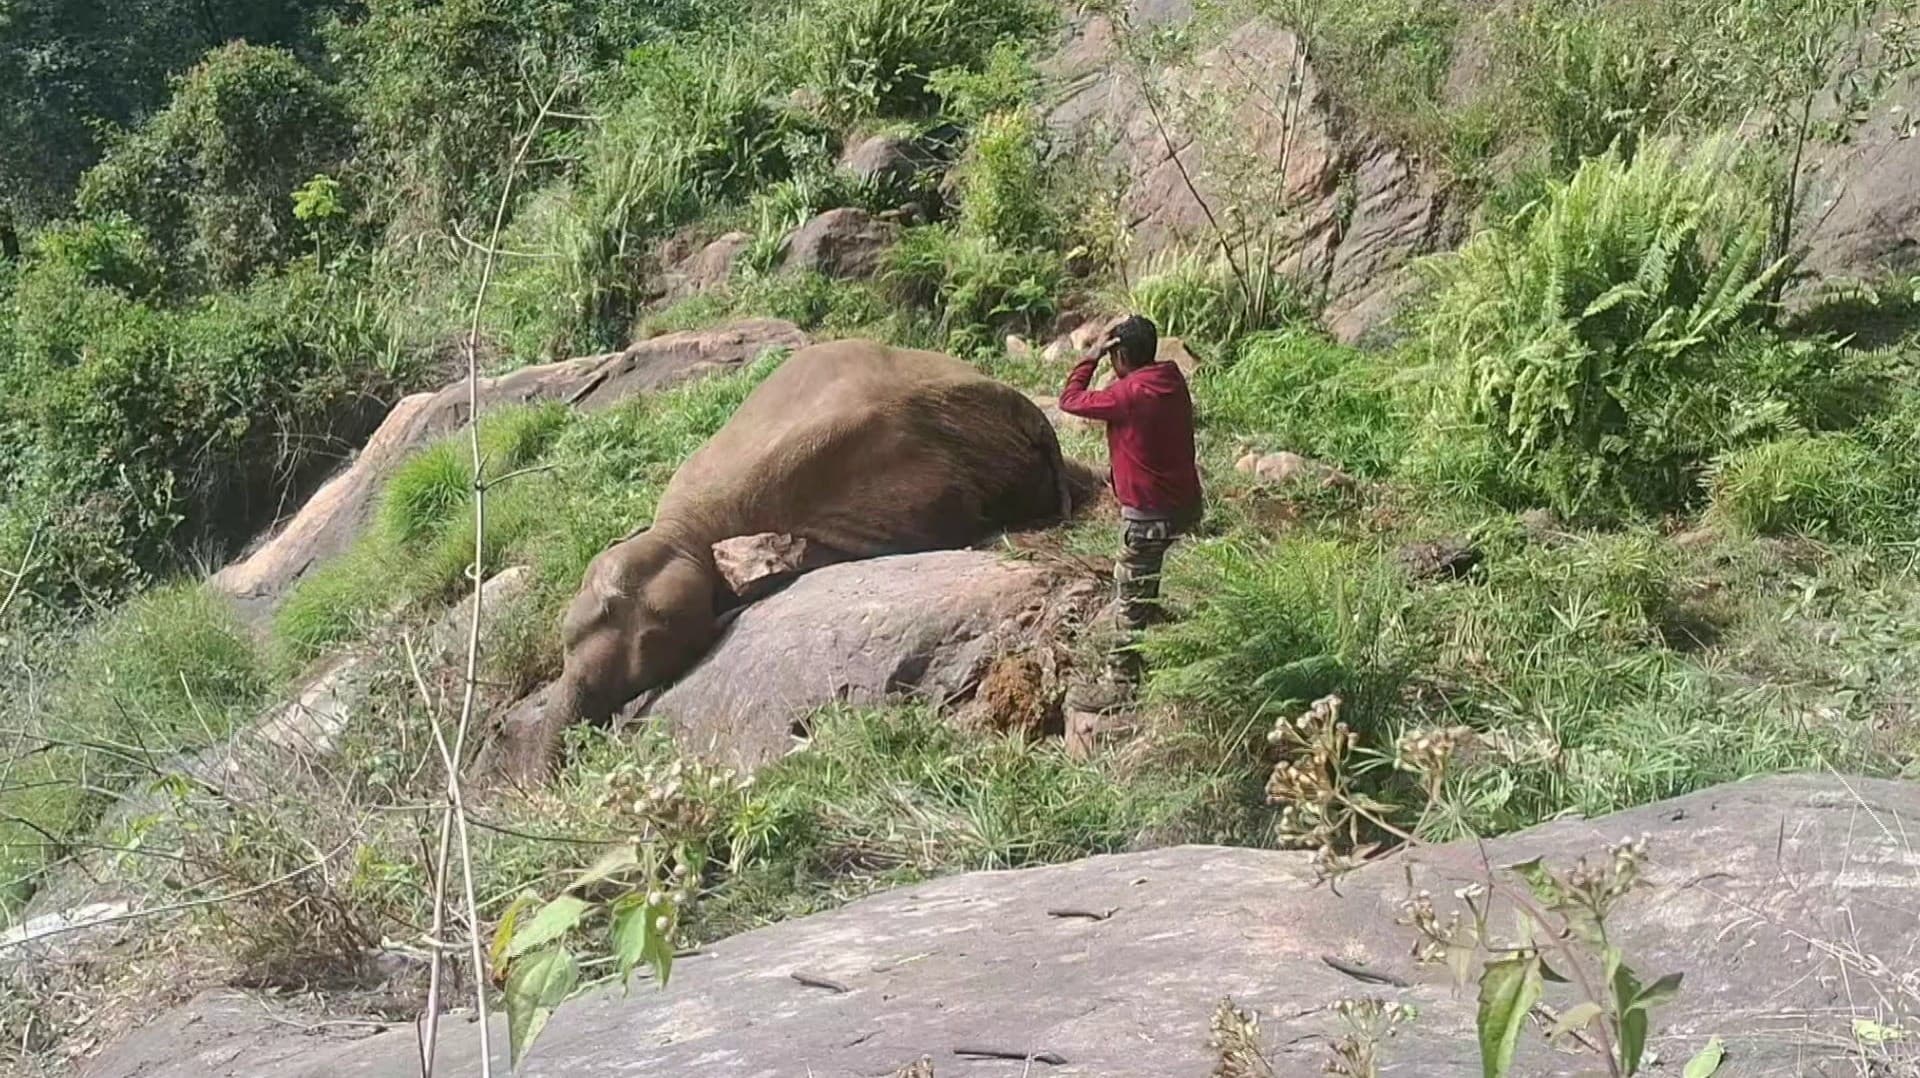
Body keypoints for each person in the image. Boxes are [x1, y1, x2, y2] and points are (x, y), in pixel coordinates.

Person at [1057, 313, 1202, 708]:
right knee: (1146, 578)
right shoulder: (1170, 379)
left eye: (1112, 355)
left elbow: (1069, 400)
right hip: (1184, 505)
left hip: (1149, 516)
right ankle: (1152, 622)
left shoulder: (1128, 394)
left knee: (1128, 596)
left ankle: (1120, 684)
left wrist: (1090, 357)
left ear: (1118, 354)